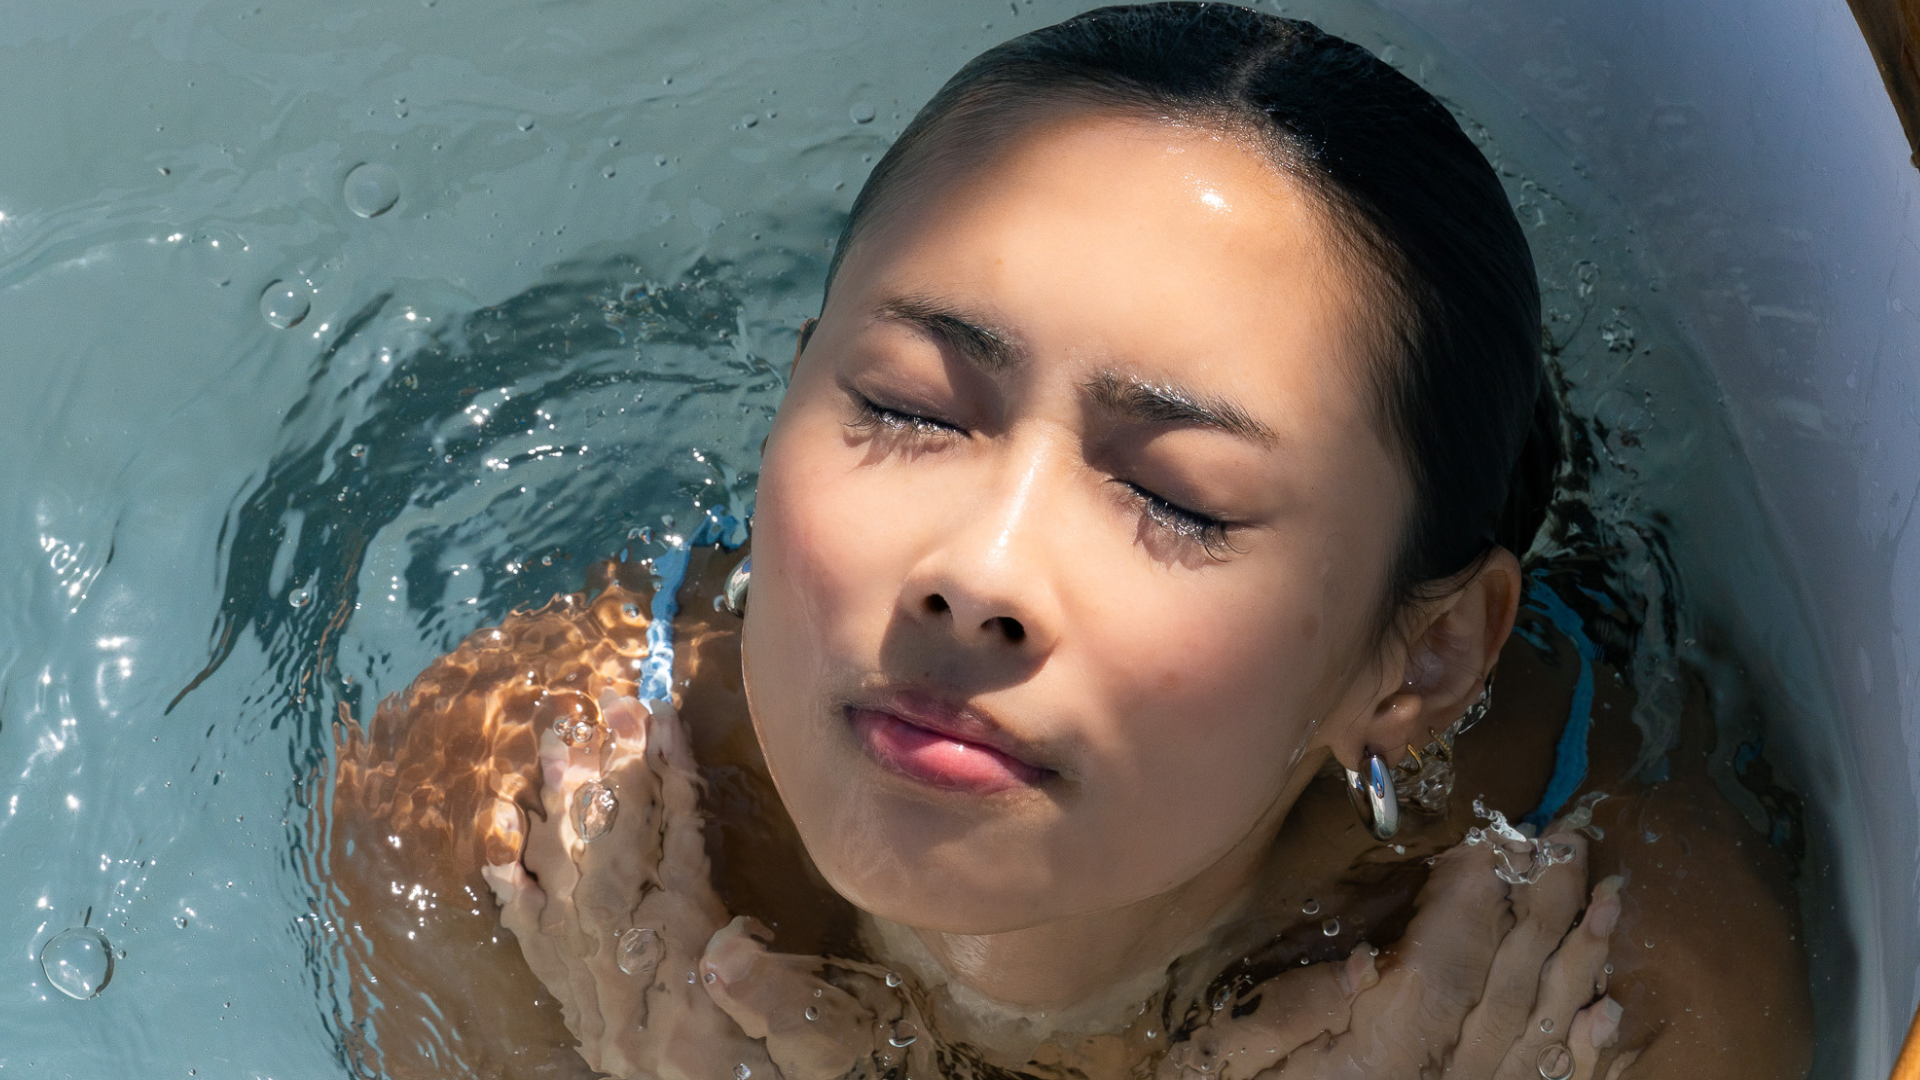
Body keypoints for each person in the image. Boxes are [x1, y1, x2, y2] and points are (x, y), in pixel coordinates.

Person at [325, 6, 1814, 1079]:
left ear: (1420, 660)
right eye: (909, 406)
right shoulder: (506, 838)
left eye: (1177, 497)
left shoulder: (1613, 995)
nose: (978, 568)